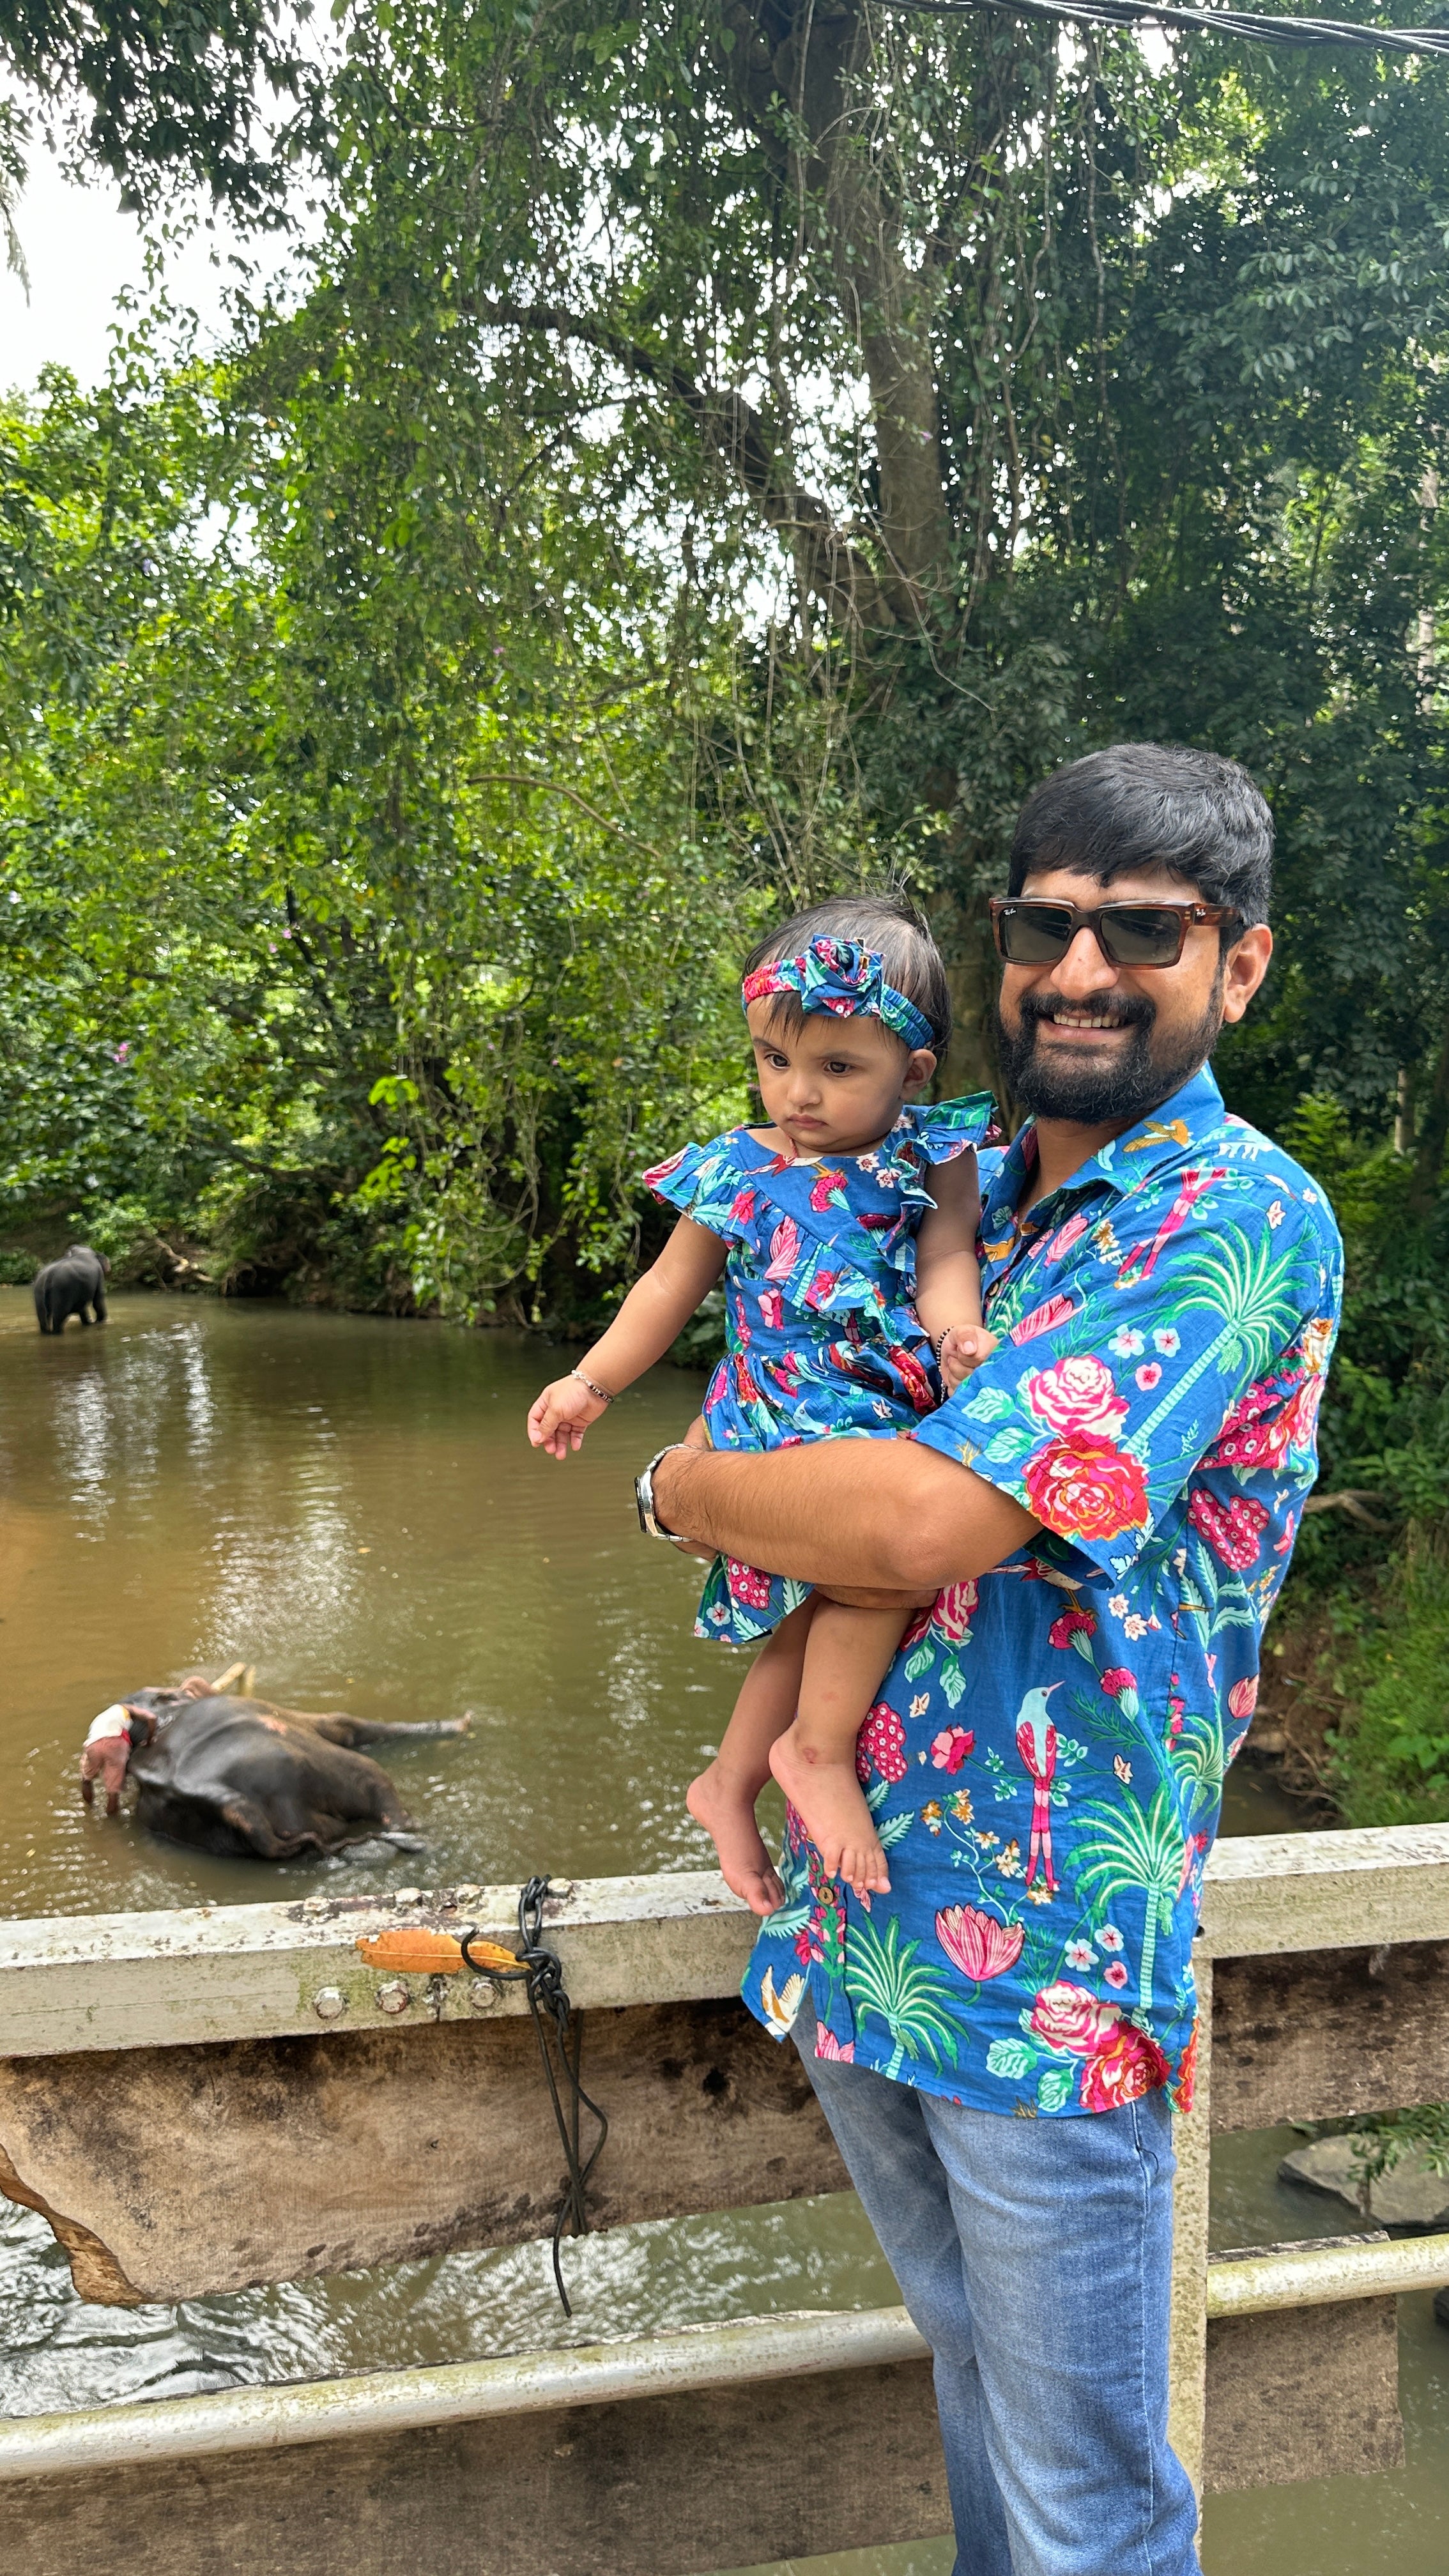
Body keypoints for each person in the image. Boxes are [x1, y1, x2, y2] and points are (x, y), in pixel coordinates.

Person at [632, 745, 1344, 2576]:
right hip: (861, 1919)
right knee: (973, 2390)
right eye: (1045, 923)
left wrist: (678, 1486)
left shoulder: (1225, 1216)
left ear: (1239, 965)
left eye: (1145, 932)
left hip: (1048, 1970)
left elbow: (913, 1526)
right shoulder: (944, 1187)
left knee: (1085, 2511)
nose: (1081, 968)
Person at [528, 898, 997, 1906]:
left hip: (880, 1400)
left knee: (821, 1601)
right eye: (774, 1060)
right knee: (869, 1579)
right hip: (776, 1404)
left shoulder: (935, 1155)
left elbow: (947, 1255)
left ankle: (730, 1781)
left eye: (838, 1067)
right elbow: (667, 1287)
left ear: (913, 1072)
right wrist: (590, 1383)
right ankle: (815, 1751)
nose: (798, 1093)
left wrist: (958, 1333)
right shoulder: (739, 1169)